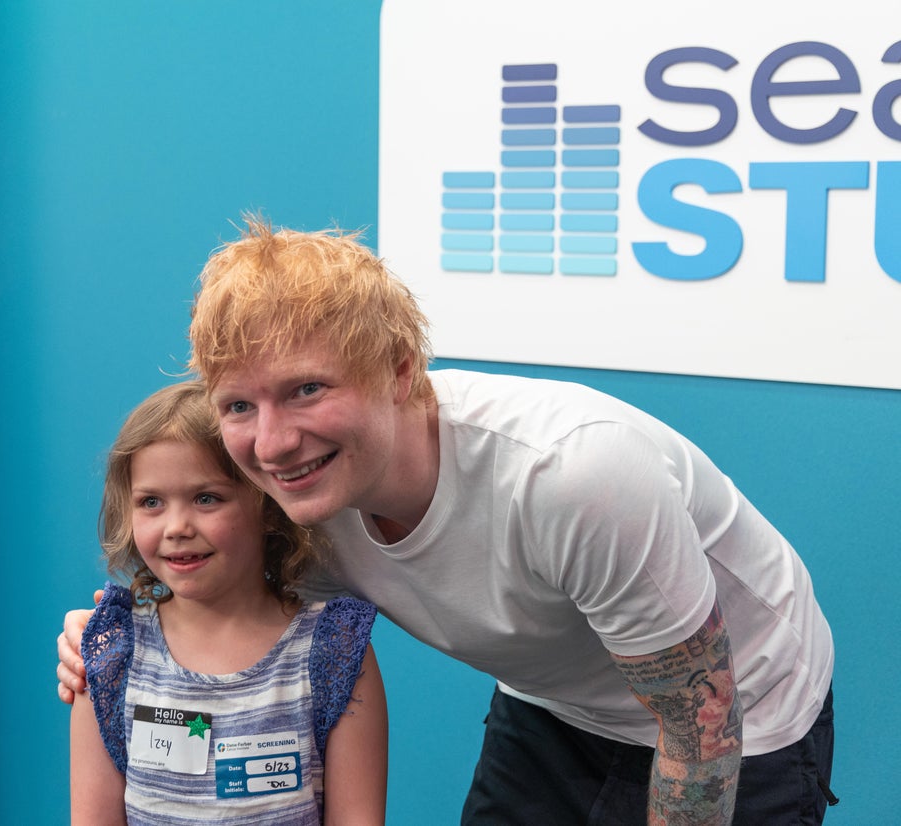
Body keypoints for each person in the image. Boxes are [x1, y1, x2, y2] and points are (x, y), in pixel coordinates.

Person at [61, 217, 836, 825]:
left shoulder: (570, 475)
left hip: (737, 710)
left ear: (402, 371)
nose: (273, 442)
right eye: (240, 404)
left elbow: (699, 722)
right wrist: (96, 634)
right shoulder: (294, 501)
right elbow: (212, 594)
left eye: (307, 390)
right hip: (555, 702)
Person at [69, 379, 387, 826]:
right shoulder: (111, 656)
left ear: (268, 507)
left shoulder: (334, 652)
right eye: (151, 502)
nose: (176, 526)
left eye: (206, 498)